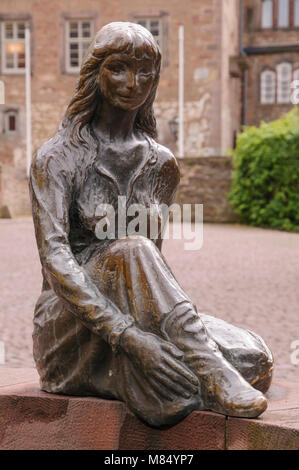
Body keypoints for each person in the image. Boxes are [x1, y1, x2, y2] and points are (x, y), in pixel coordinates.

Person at [29, 22, 273, 428]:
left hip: (132, 310)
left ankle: (191, 369)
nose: (133, 82)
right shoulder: (56, 158)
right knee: (132, 248)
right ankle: (204, 368)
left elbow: (148, 276)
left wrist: (152, 334)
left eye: (145, 71)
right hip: (70, 327)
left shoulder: (161, 163)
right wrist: (129, 337)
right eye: (119, 68)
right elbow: (56, 261)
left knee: (254, 357)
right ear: (96, 73)